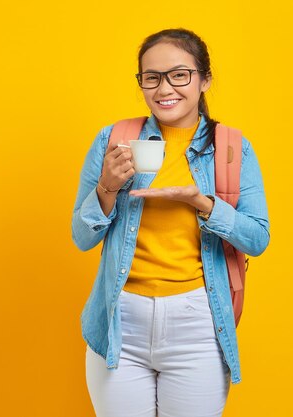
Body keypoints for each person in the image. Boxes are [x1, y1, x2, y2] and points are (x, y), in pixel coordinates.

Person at [72, 28, 270, 417]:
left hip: (197, 325)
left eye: (179, 75)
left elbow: (258, 238)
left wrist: (203, 203)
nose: (165, 88)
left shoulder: (231, 149)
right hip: (119, 322)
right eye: (152, 77)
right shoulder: (113, 140)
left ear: (204, 79)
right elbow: (81, 238)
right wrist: (108, 188)